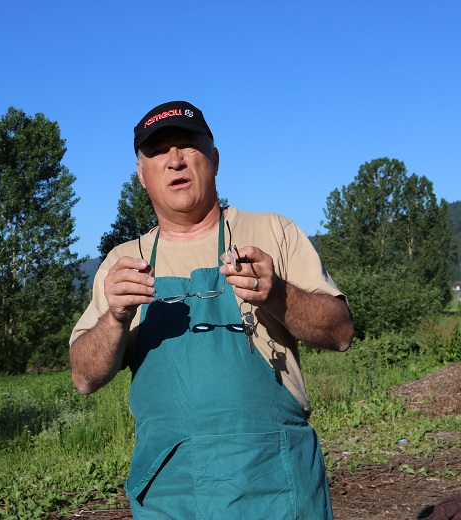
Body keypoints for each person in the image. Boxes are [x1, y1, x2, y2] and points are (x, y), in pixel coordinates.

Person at [69, 100, 354, 519]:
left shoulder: (273, 232)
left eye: (187, 144)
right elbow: (84, 377)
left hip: (276, 485)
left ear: (214, 158)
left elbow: (341, 332)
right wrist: (115, 317)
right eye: (158, 151)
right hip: (170, 493)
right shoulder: (123, 264)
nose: (175, 160)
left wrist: (277, 294)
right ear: (141, 174)